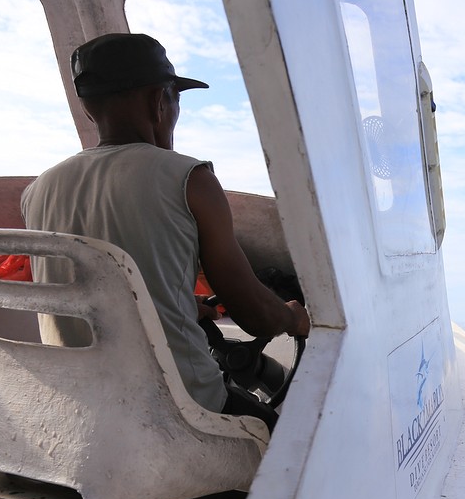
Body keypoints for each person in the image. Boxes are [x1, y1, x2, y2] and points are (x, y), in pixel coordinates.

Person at [21, 33, 309, 430]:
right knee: (288, 445)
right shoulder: (190, 179)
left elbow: (98, 294)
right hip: (179, 408)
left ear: (89, 110)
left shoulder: (39, 190)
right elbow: (256, 316)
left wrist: (180, 306)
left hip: (81, 407)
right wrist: (293, 319)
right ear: (159, 102)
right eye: (176, 99)